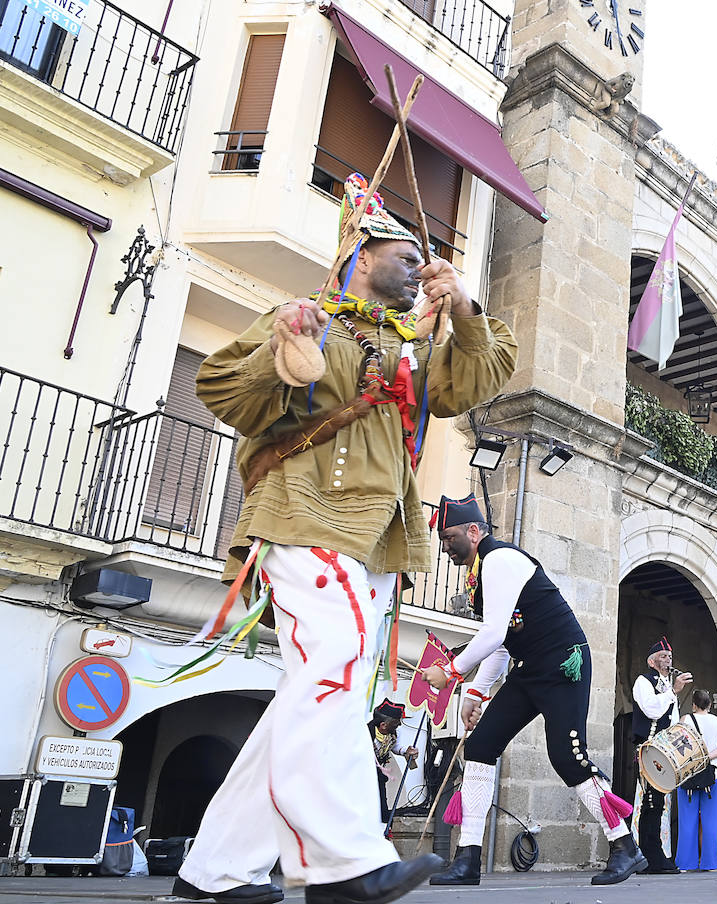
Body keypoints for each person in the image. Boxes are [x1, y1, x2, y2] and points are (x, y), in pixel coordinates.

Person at [174, 181, 516, 904]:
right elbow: (220, 388)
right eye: (410, 254)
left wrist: (463, 308)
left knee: (320, 690)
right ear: (361, 254)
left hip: (377, 540)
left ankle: (214, 873)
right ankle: (340, 863)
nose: (423, 265)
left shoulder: (413, 346)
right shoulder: (308, 318)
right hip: (303, 515)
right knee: (334, 659)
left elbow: (477, 383)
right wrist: (284, 345)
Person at [420, 495, 643, 887]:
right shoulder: (480, 572)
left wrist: (453, 671)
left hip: (562, 665)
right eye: (442, 539)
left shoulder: (500, 559)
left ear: (474, 531)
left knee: (568, 758)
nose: (446, 545)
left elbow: (490, 634)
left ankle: (625, 846)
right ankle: (467, 857)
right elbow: (503, 640)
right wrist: (476, 693)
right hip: (528, 668)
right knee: (482, 745)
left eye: (450, 536)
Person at [632, 637, 691, 874]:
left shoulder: (666, 684)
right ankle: (649, 856)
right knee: (650, 802)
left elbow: (672, 719)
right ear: (652, 661)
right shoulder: (643, 681)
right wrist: (673, 692)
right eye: (663, 656)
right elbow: (651, 709)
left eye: (670, 656)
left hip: (664, 750)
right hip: (649, 749)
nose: (668, 660)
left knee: (659, 803)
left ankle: (655, 854)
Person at [675, 689, 717, 871]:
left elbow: (677, 745)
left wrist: (696, 757)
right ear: (709, 705)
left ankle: (685, 863)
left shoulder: (685, 720)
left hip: (689, 774)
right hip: (713, 774)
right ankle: (711, 863)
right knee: (712, 820)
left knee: (687, 820)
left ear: (693, 704)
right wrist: (708, 756)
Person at [369, 700, 419, 827]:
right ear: (384, 725)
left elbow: (395, 747)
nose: (399, 725)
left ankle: (382, 830)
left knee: (382, 807)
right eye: (396, 724)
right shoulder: (366, 734)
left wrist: (405, 751)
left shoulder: (393, 733)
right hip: (363, 776)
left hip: (378, 777)